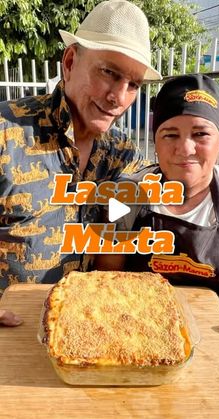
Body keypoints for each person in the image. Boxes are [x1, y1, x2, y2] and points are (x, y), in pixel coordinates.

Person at [0, 0, 161, 326]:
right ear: (71, 61)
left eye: (133, 85)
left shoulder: (121, 154)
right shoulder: (6, 132)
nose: (119, 97)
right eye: (109, 72)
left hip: (84, 330)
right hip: (11, 338)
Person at [95, 74, 219, 336]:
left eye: (201, 133)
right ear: (155, 142)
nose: (185, 149)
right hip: (142, 332)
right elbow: (107, 280)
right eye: (170, 135)